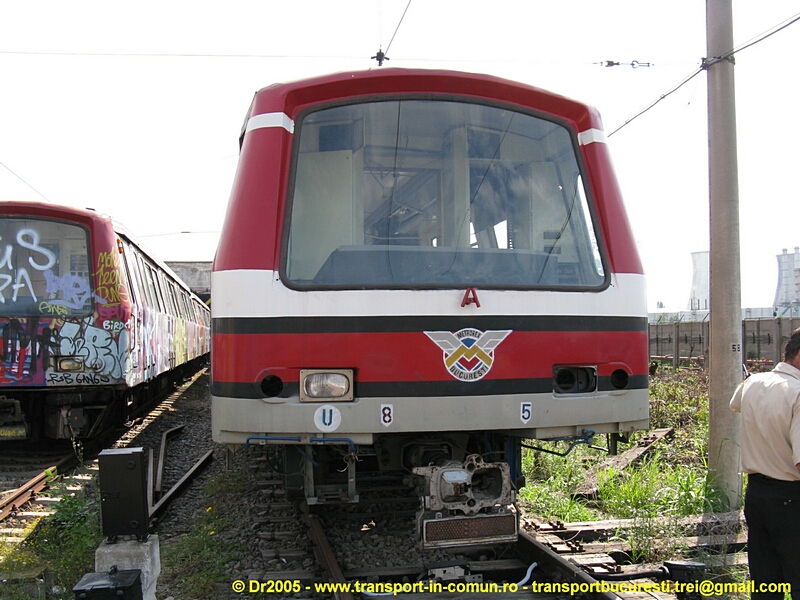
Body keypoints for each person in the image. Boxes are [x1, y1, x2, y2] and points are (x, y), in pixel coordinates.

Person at [730, 327, 800, 596]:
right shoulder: (797, 393)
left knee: (766, 581)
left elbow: (735, 403)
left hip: (757, 494)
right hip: (791, 498)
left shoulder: (754, 382)